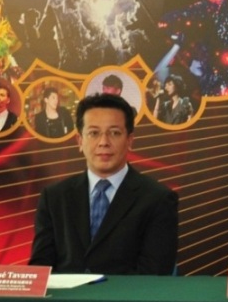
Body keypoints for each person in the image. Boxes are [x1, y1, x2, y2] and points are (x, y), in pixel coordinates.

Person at [29, 92, 179, 275]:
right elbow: (40, 270)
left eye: (114, 133)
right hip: (66, 295)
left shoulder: (158, 199)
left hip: (129, 295)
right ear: (80, 141)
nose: (103, 142)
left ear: (130, 140)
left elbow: (155, 274)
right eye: (94, 133)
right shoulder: (54, 198)